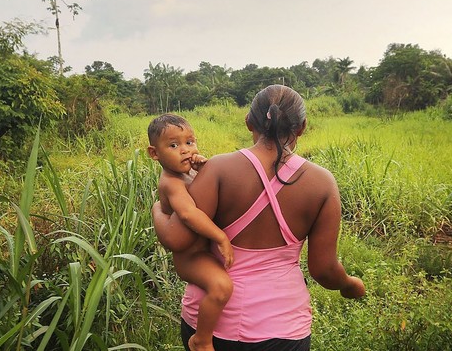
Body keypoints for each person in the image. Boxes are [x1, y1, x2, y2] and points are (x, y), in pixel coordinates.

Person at [153, 85, 365, 351]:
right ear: (301, 127)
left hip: (209, 327)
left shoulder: (218, 168)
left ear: (248, 121)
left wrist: (156, 210)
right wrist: (349, 284)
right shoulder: (322, 183)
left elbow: (178, 238)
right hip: (282, 330)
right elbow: (323, 269)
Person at [147, 113, 235, 351]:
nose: (185, 150)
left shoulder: (187, 173)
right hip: (190, 257)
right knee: (221, 287)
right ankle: (201, 339)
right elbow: (187, 214)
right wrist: (220, 236)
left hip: (200, 251)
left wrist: (204, 169)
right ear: (154, 153)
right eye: (174, 145)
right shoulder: (170, 182)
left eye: (190, 142)